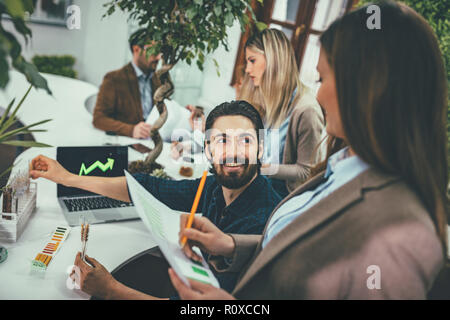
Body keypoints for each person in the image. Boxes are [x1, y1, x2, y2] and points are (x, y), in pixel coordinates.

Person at [167, 1, 448, 299]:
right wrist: (231, 245)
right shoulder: (341, 166)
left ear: (369, 90)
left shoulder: (401, 237)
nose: (318, 93)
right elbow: (299, 253)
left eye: (323, 79)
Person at [30, 101, 282, 298]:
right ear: (208, 150)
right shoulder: (214, 186)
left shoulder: (262, 219)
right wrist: (67, 178)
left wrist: (110, 290)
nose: (234, 152)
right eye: (222, 141)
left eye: (245, 141)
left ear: (260, 149)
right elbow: (148, 187)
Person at [239, 28, 325, 198]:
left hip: (280, 198)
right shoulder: (265, 95)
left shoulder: (306, 110)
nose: (247, 69)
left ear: (273, 61)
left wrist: (261, 168)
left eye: (252, 61)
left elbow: (307, 171)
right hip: (256, 188)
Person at [92, 29, 164, 139]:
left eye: (160, 52)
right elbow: (99, 119)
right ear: (136, 49)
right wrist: (131, 130)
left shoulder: (158, 81)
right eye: (153, 51)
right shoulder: (113, 79)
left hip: (155, 143)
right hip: (128, 145)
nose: (159, 57)